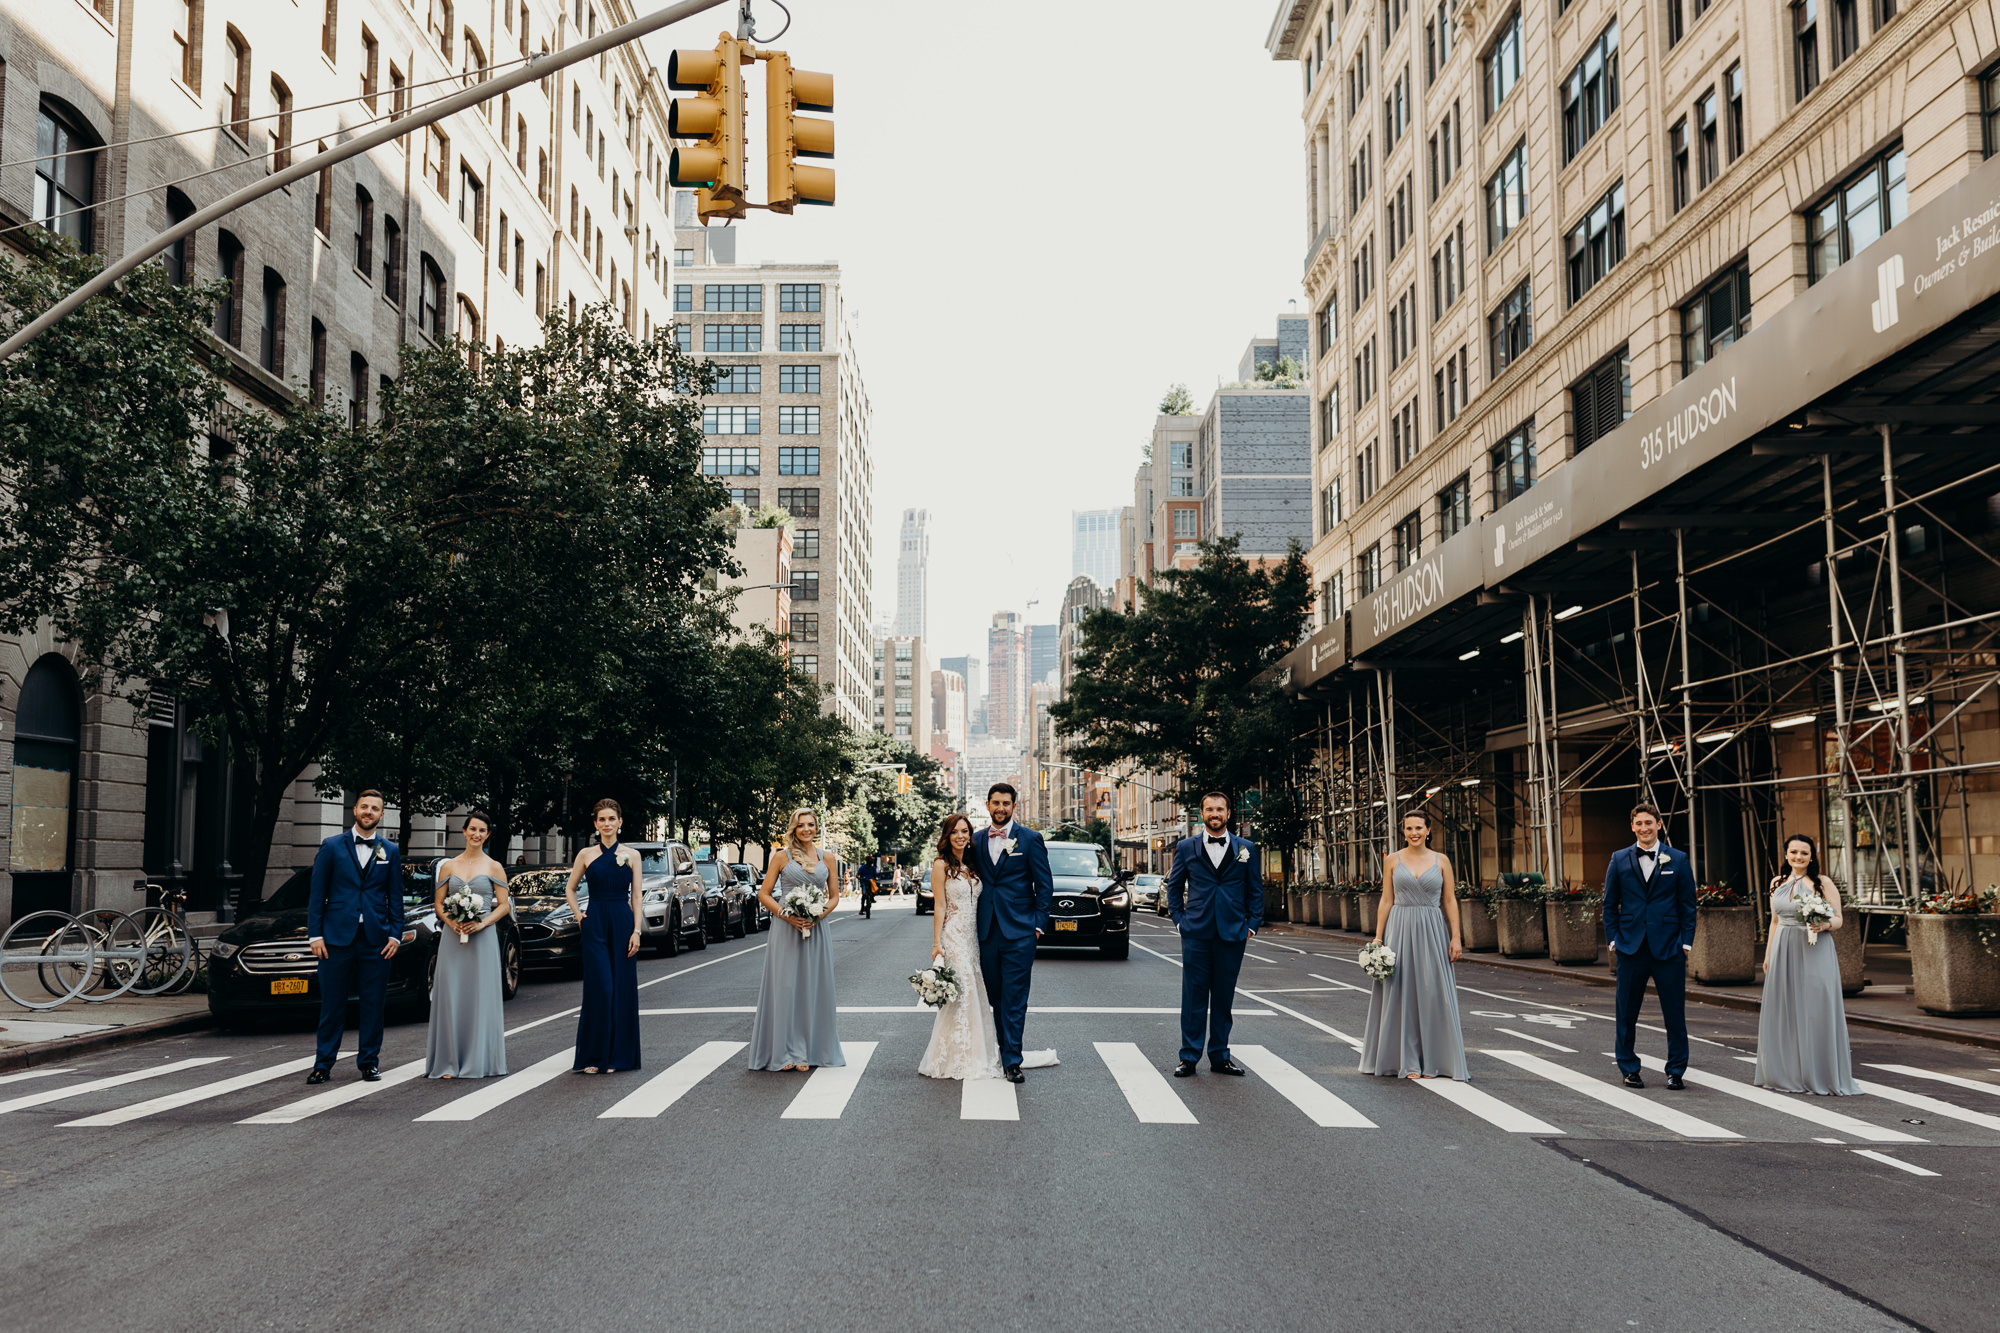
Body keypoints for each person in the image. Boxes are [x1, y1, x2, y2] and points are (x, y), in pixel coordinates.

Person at [1358, 809, 1469, 1080]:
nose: (1414, 833)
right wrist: (1377, 938)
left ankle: (1435, 1060)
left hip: (1433, 930)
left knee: (1433, 993)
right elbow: (1386, 900)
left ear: (1429, 830)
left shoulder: (1441, 861)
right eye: (1409, 828)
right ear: (1403, 831)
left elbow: (1450, 900)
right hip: (1399, 929)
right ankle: (1407, 1062)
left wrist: (1456, 937)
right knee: (1401, 993)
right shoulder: (1392, 860)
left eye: (1419, 828)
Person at [306, 790, 405, 1085]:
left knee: (373, 1005)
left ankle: (369, 1063)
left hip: (376, 939)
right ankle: (323, 1064)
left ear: (382, 814)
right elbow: (317, 893)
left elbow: (395, 896)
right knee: (332, 1005)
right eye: (364, 806)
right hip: (335, 939)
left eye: (375, 808)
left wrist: (395, 934)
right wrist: (315, 934)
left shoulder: (390, 850)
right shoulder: (331, 846)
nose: (369, 811)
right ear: (355, 810)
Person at [1165, 792, 1263, 1078]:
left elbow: (1255, 889)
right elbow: (1174, 887)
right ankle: (1189, 1057)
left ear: (1228, 814)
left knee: (1223, 998)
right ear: (1202, 813)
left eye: (1220, 809)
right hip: (1196, 931)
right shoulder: (1186, 847)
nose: (1215, 813)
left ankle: (1220, 1056)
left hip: (1232, 933)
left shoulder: (1247, 848)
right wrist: (1179, 920)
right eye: (1209, 809)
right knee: (1194, 996)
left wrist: (1251, 924)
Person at [1755, 834, 1859, 1095]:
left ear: (1812, 856)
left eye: (1803, 853)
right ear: (1786, 854)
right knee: (1785, 1010)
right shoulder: (1777, 882)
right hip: (1783, 949)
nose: (1798, 857)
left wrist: (1824, 924)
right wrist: (1768, 955)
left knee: (1814, 1009)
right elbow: (1775, 922)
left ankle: (1819, 1074)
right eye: (1793, 852)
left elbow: (1838, 919)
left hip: (1815, 949)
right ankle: (1787, 1073)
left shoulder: (1822, 883)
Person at [1604, 801, 1696, 1090]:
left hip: (1669, 948)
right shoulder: (1619, 859)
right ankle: (1629, 1067)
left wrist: (1686, 944)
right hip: (1630, 948)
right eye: (1639, 823)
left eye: (1649, 823)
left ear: (1658, 825)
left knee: (1674, 1013)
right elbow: (1609, 905)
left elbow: (1688, 906)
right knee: (1626, 1012)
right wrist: (1613, 939)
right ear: (1632, 827)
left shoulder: (1678, 859)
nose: (1644, 828)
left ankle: (1676, 1070)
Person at [749, 808, 846, 1071]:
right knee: (787, 988)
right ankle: (785, 1053)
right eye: (801, 825)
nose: (806, 829)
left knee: (813, 988)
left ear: (817, 828)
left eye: (811, 825)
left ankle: (808, 1051)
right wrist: (787, 916)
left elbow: (834, 896)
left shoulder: (828, 858)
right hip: (786, 929)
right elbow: (765, 894)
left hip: (817, 929)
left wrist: (818, 915)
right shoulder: (781, 857)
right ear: (794, 828)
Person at [975, 782, 1052, 1084]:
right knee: (996, 997)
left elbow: (1044, 886)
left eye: (1006, 803)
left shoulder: (1030, 839)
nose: (1000, 808)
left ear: (1014, 806)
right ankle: (1004, 1049)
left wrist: (1037, 925)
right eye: (996, 803)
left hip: (1020, 932)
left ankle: (1012, 1060)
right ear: (988, 805)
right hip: (986, 932)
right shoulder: (977, 840)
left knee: (1015, 998)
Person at [427, 810, 511, 1079]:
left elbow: (504, 905)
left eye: (482, 831)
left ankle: (479, 1060)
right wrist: (450, 922)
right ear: (464, 831)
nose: (476, 834)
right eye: (472, 829)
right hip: (453, 938)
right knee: (451, 994)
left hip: (482, 938)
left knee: (479, 995)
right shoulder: (448, 866)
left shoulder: (494, 866)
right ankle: (449, 1062)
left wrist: (482, 923)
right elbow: (439, 904)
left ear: (487, 835)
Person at [918, 813, 1003, 1080]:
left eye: (965, 831)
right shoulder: (940, 865)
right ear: (947, 835)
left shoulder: (974, 864)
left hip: (972, 937)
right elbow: (940, 906)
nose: (961, 836)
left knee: (974, 990)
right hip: (953, 935)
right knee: (962, 988)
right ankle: (954, 1056)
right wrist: (936, 943)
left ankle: (974, 1051)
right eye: (955, 832)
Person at [566, 798, 642, 1074]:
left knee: (621, 989)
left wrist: (636, 931)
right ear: (595, 824)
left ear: (620, 822)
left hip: (622, 922)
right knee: (601, 988)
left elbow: (636, 896)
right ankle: (594, 1056)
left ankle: (618, 1058)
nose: (607, 824)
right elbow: (570, 889)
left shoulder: (632, 855)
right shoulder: (585, 854)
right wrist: (578, 915)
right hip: (595, 922)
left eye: (612, 819)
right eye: (602, 820)